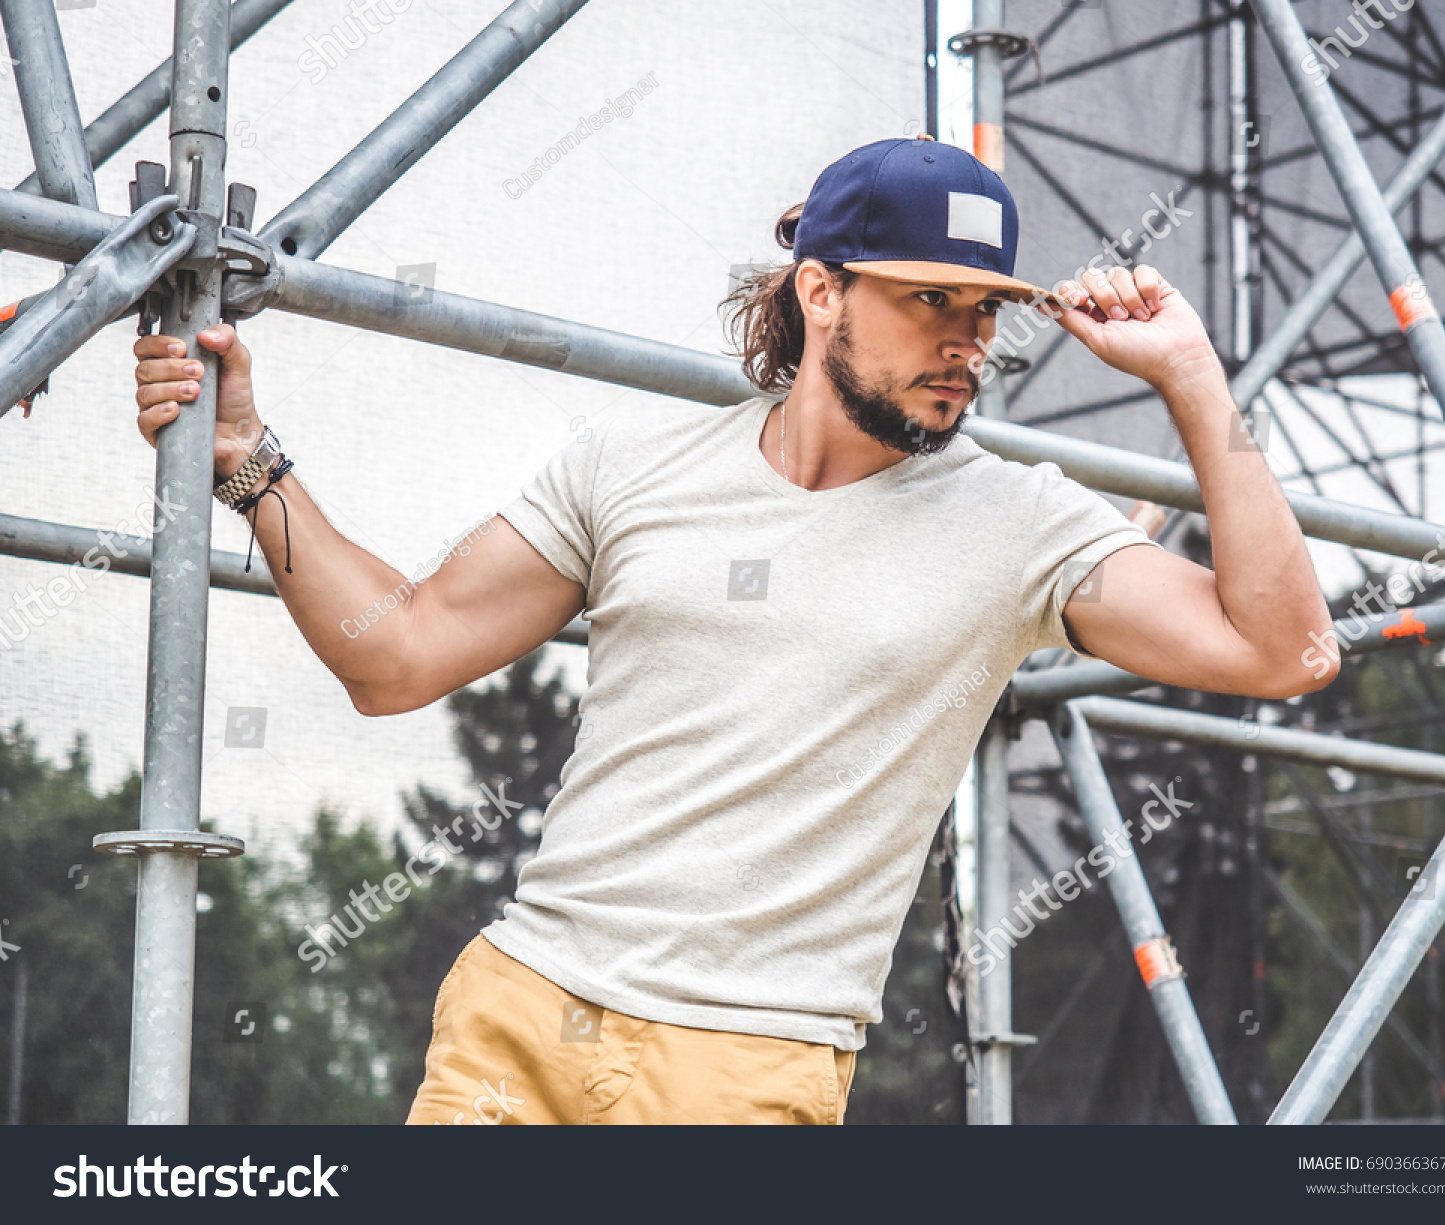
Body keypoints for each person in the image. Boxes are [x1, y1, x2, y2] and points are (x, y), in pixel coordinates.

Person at [129, 137, 1335, 1124]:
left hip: (749, 1069)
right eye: (931, 304)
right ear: (823, 292)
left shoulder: (1019, 522)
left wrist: (1193, 382)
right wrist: (246, 461)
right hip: (521, 1021)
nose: (967, 344)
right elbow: (396, 657)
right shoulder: (628, 470)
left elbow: (1287, 652)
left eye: (986, 311)